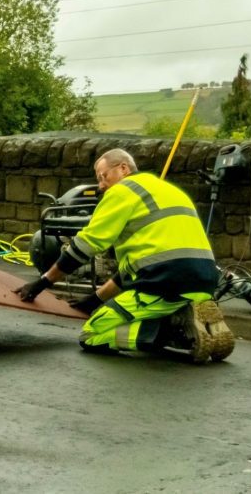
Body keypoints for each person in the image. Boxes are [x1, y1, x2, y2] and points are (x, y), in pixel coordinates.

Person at [16, 148, 234, 363]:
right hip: (204, 281)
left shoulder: (122, 191)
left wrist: (42, 282)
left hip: (164, 283)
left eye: (103, 177)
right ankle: (186, 320)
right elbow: (131, 271)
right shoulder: (167, 190)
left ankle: (174, 330)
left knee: (92, 334)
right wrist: (92, 302)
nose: (101, 186)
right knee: (131, 309)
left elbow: (85, 246)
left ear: (123, 168)